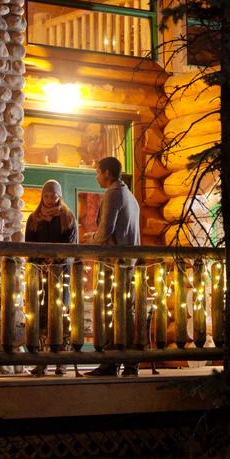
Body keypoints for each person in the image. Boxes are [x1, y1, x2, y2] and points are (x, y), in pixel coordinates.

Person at [91, 154, 140, 376]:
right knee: (124, 311)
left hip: (115, 263)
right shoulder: (129, 195)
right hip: (128, 263)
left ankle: (112, 362)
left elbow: (105, 231)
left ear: (107, 173)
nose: (96, 177)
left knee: (112, 311)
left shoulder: (113, 194)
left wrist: (90, 239)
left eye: (97, 172)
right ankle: (126, 362)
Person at [25, 178, 77, 375]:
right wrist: (40, 261)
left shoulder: (67, 217)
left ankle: (61, 360)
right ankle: (41, 360)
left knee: (60, 314)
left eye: (53, 195)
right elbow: (29, 245)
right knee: (41, 315)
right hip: (40, 274)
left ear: (59, 196)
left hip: (60, 274)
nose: (49, 199)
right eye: (46, 195)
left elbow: (70, 245)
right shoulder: (34, 218)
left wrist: (56, 260)